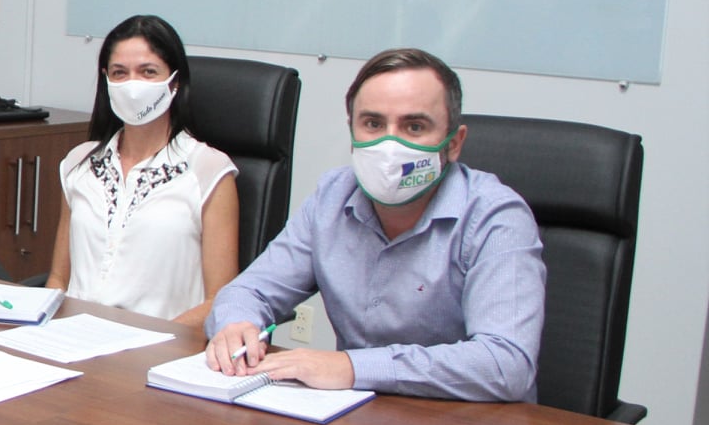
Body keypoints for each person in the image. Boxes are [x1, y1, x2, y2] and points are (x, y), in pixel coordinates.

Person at [205, 47, 545, 402]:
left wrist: (352, 367)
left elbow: (506, 364)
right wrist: (236, 324)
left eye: (414, 126)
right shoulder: (332, 198)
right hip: (355, 418)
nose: (389, 144)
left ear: (454, 143)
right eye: (373, 124)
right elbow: (249, 291)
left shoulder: (495, 215)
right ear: (351, 131)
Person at [45, 15, 239, 325]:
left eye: (148, 72)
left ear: (174, 82)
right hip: (73, 340)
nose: (133, 85)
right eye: (120, 73)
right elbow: (58, 279)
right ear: (106, 79)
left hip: (160, 349)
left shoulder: (209, 170)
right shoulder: (78, 164)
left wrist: (153, 344)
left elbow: (221, 299)